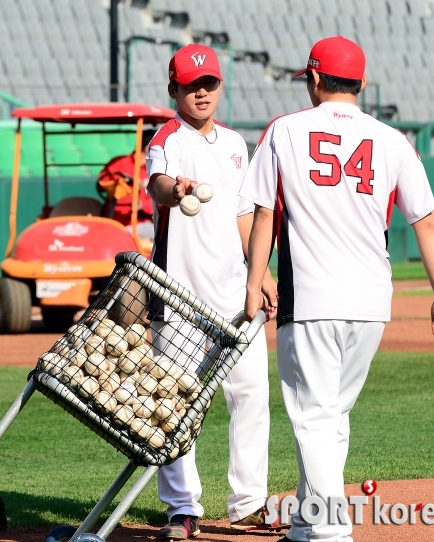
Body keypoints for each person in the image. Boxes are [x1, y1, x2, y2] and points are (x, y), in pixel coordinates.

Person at [241, 36, 434, 542]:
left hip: (313, 296)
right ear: (361, 84)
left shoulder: (285, 130)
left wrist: (254, 284)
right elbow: (425, 222)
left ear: (314, 80)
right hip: (370, 301)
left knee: (314, 416)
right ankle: (307, 524)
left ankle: (331, 531)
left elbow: (263, 215)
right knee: (332, 414)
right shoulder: (392, 138)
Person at [145, 44, 285, 540]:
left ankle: (247, 503)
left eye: (209, 84)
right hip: (177, 293)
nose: (201, 92)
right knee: (176, 403)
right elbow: (159, 187)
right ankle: (182, 508)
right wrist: (176, 189)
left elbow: (244, 215)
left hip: (233, 294)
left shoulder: (234, 143)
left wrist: (261, 272)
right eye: (190, 85)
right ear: (174, 90)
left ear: (220, 86)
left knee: (250, 395)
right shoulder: (166, 139)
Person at [97, 129, 155, 241]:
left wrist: (141, 205)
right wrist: (122, 183)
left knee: (163, 236)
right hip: (115, 221)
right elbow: (102, 183)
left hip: (140, 222)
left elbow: (158, 203)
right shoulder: (120, 163)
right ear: (148, 146)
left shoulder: (155, 170)